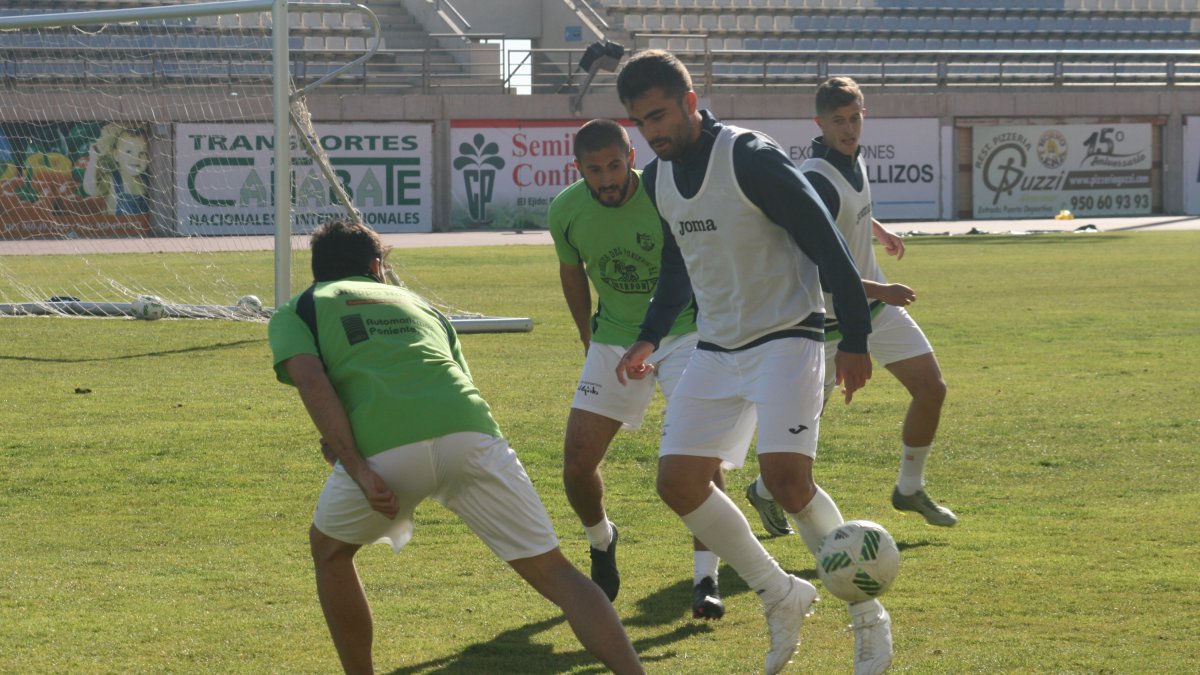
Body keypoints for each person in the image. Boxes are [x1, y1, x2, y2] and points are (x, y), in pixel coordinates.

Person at [613, 50, 892, 675]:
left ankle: (868, 619)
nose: (651, 131)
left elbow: (826, 241)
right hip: (716, 348)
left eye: (659, 114)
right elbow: (679, 266)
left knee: (788, 482)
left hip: (788, 336)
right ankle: (781, 595)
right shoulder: (658, 180)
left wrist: (854, 336)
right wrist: (649, 336)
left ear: (689, 102)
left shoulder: (748, 156)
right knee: (677, 483)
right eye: (639, 121)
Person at [268, 219, 644, 675]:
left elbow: (313, 380)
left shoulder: (300, 308)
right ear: (376, 266)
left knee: (329, 551)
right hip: (471, 433)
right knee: (557, 573)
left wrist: (358, 467)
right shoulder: (420, 304)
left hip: (388, 455)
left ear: (318, 272)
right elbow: (442, 378)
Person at [744, 76, 956, 532]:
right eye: (838, 121)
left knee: (932, 389)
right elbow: (817, 266)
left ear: (864, 116)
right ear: (818, 123)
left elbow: (847, 211)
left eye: (855, 118)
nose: (849, 128)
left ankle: (909, 488)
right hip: (826, 321)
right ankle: (763, 491)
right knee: (801, 435)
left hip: (873, 307)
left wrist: (876, 229)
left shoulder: (851, 159)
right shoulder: (815, 179)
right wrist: (885, 291)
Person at [548, 118, 726, 619]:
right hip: (613, 339)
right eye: (593, 170)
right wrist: (589, 338)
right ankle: (602, 540)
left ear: (632, 155)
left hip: (687, 332)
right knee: (577, 464)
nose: (606, 179)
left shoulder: (666, 191)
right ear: (577, 168)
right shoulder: (565, 210)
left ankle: (705, 579)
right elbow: (572, 272)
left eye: (614, 165)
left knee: (700, 459)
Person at [81, 123, 150, 215]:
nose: (136, 158)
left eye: (142, 153)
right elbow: (90, 189)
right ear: (116, 155)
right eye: (129, 152)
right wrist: (94, 159)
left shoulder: (147, 181)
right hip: (119, 228)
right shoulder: (113, 179)